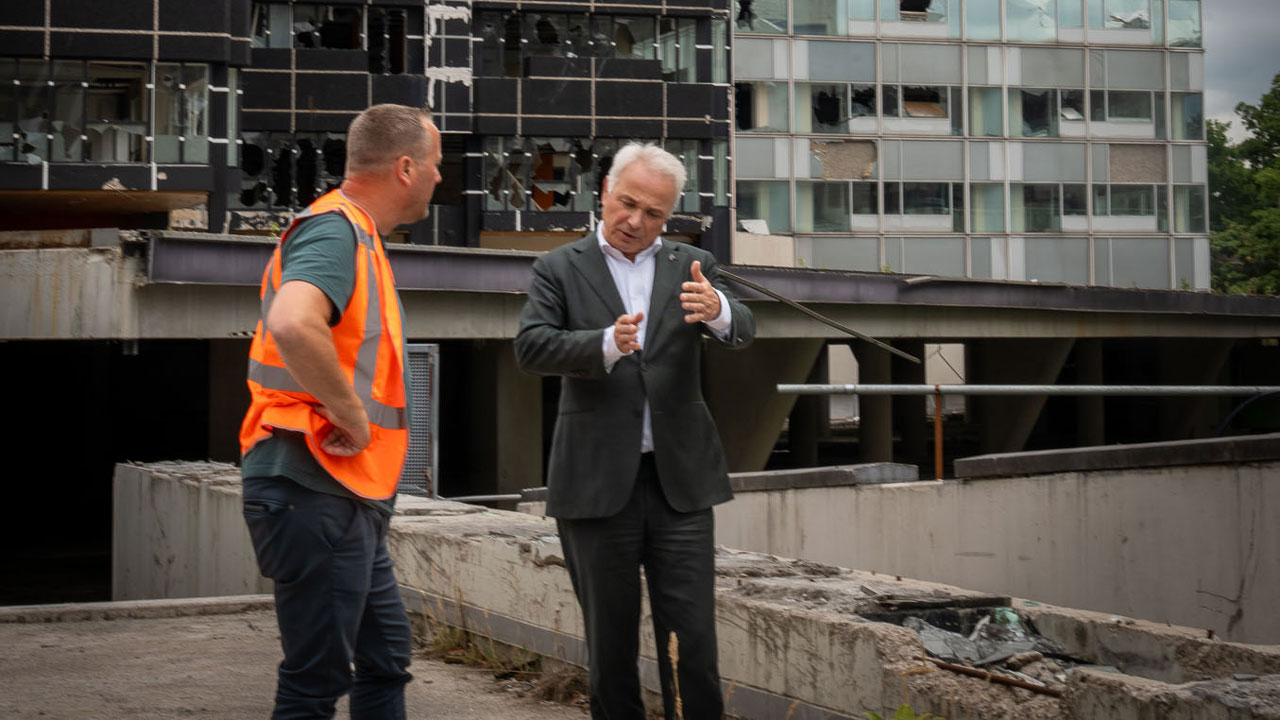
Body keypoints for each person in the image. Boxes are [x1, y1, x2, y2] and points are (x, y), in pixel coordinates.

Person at [514, 142, 755, 719]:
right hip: (596, 487)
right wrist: (604, 343)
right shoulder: (559, 267)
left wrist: (718, 308)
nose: (636, 222)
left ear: (668, 216)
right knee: (611, 647)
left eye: (653, 214)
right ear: (604, 194)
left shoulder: (689, 266)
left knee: (694, 643)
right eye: (627, 204)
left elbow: (744, 327)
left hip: (680, 487)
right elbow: (531, 347)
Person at [238, 103, 442, 719]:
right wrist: (351, 416)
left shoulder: (357, 236)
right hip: (315, 484)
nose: (441, 178)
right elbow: (294, 324)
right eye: (435, 165)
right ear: (406, 167)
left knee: (385, 661)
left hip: (344, 492)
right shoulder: (336, 230)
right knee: (316, 682)